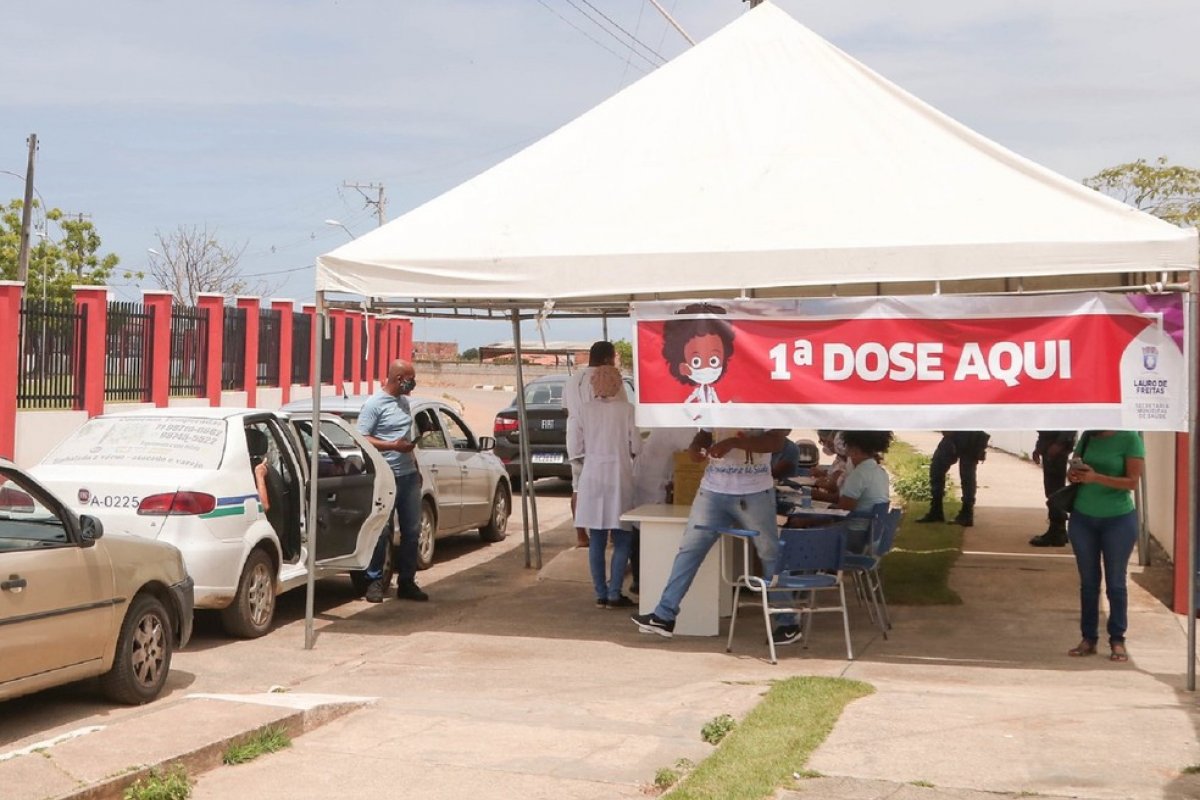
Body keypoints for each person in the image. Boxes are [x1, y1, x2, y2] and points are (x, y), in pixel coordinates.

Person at [631, 427, 800, 643]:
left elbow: (776, 442)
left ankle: (788, 622)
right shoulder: (714, 406)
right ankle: (664, 616)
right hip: (712, 490)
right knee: (689, 549)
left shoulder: (761, 407)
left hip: (754, 492)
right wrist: (696, 448)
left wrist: (733, 443)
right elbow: (704, 433)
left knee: (769, 553)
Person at [1064, 430, 1144, 663]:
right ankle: (1088, 638)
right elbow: (1074, 472)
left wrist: (1096, 478)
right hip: (1082, 518)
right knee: (1088, 583)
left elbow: (1132, 482)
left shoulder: (1130, 439)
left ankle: (1117, 639)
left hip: (1118, 519)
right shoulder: (1088, 436)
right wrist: (1074, 474)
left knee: (1115, 583)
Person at [568, 365, 641, 609]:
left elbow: (576, 447)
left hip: (592, 476)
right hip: (619, 477)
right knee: (622, 537)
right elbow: (637, 446)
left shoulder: (584, 410)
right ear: (618, 384)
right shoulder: (627, 410)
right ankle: (614, 593)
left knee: (597, 538)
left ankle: (600, 593)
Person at [357, 359, 427, 604]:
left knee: (412, 530)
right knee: (382, 530)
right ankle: (375, 581)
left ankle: (407, 581)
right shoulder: (374, 404)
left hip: (408, 476)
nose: (413, 384)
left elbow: (405, 437)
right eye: (410, 379)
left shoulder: (404, 403)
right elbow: (362, 438)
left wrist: (415, 466)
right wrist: (392, 446)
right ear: (399, 379)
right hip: (385, 477)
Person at [564, 341, 628, 548]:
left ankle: (581, 535)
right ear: (607, 358)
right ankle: (612, 531)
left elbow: (565, 409)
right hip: (601, 442)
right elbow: (620, 410)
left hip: (575, 440)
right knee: (608, 488)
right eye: (614, 358)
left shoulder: (572, 380)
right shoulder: (609, 379)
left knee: (578, 488)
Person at [792, 430, 893, 552]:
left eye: (847, 446)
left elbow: (841, 513)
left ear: (854, 449)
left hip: (854, 535)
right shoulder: (880, 472)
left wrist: (806, 520)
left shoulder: (858, 475)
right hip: (871, 534)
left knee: (797, 536)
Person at [630, 426, 697, 594]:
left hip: (648, 478)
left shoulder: (671, 422)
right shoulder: (682, 426)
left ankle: (639, 580)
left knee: (641, 529)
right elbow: (693, 451)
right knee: (646, 532)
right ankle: (641, 580)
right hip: (655, 482)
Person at [917, 431, 990, 527]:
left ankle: (965, 513)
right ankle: (937, 510)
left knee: (966, 476)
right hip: (959, 435)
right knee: (938, 468)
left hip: (968, 435)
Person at [1029, 430, 1077, 547]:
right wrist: (1039, 448)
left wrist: (1058, 444)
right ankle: (1059, 530)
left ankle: (1057, 531)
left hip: (1055, 448)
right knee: (1052, 489)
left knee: (1055, 490)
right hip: (1051, 446)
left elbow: (1068, 427)